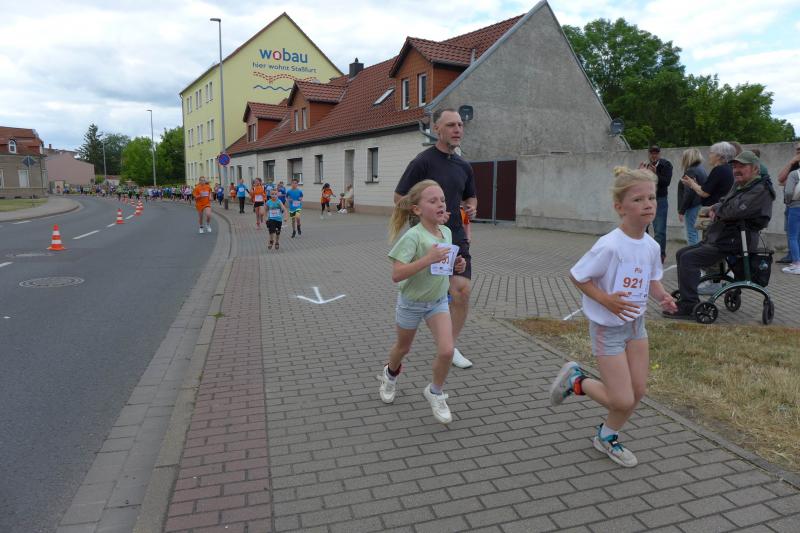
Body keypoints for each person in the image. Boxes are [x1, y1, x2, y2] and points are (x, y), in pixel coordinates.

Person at [549, 167, 676, 468]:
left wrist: (663, 296)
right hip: (608, 329)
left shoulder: (651, 246)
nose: (647, 204)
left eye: (651, 198)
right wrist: (606, 300)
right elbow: (578, 276)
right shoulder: (609, 245)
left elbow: (651, 279)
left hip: (636, 326)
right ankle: (577, 380)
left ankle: (606, 437)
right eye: (638, 199)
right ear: (620, 207)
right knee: (621, 399)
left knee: (638, 391)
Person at [395, 108, 477, 369]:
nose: (457, 129)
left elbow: (470, 196)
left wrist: (471, 208)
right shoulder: (423, 162)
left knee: (461, 290)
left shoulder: (464, 166)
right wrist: (426, 217)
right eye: (451, 125)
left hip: (456, 236)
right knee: (430, 291)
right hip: (429, 238)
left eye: (460, 125)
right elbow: (399, 198)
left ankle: (450, 346)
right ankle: (417, 333)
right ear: (437, 129)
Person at [380, 180, 466, 424]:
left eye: (442, 200)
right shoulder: (413, 237)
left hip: (438, 302)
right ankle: (390, 375)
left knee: (447, 350)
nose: (441, 204)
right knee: (403, 348)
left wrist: (457, 265)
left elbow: (443, 267)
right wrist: (428, 259)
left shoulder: (446, 232)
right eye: (433, 201)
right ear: (417, 209)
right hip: (411, 303)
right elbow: (397, 274)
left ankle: (435, 392)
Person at [666, 151, 774, 319]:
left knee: (689, 258)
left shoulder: (761, 189)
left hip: (737, 241)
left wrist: (717, 209)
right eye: (735, 166)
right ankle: (687, 298)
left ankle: (689, 306)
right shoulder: (741, 184)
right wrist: (717, 207)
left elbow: (734, 210)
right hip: (723, 237)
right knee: (682, 253)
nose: (736, 170)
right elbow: (724, 202)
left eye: (742, 166)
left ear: (755, 168)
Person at [639, 145, 672, 262]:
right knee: (642, 227)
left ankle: (659, 255)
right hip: (646, 199)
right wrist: (640, 173)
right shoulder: (645, 166)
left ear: (659, 154)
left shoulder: (666, 165)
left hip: (660, 200)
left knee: (659, 230)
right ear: (649, 154)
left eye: (656, 153)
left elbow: (666, 182)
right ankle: (646, 252)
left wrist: (655, 174)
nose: (654, 155)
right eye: (652, 153)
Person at [676, 148, 707, 246]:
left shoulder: (691, 171)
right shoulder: (701, 169)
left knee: (691, 233)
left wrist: (682, 211)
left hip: (692, 206)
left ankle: (692, 254)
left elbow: (689, 193)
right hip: (700, 204)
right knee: (695, 233)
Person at [776, 143, 800, 264]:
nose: (797, 151)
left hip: (793, 204)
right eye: (797, 149)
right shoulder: (794, 165)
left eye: (799, 149)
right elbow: (781, 179)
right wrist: (791, 162)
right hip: (791, 204)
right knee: (791, 231)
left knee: (793, 234)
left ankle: (795, 260)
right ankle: (792, 256)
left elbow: (784, 183)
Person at [782, 164, 800, 274]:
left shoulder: (794, 174)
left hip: (796, 207)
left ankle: (797, 264)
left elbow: (788, 192)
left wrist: (788, 202)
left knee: (792, 236)